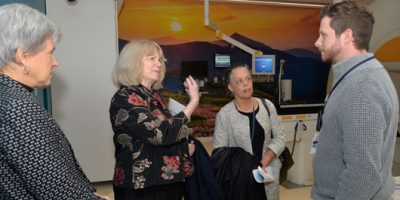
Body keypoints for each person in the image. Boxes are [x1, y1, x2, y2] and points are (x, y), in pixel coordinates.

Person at [0, 3, 108, 200]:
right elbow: (55, 189)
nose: (55, 61)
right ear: (23, 57)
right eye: (50, 52)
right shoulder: (18, 107)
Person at [312, 1, 399, 199]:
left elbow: (363, 174)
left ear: (347, 36)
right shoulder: (354, 76)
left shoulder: (362, 88)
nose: (317, 42)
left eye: (324, 35)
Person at [109, 39, 200, 200]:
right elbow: (161, 134)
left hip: (167, 182)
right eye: (151, 58)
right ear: (133, 62)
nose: (159, 64)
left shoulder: (155, 96)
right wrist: (193, 102)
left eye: (160, 59)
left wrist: (184, 148)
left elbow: (166, 136)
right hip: (141, 187)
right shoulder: (126, 97)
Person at [213, 63, 286, 200]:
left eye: (248, 79)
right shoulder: (225, 114)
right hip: (240, 180)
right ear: (230, 87)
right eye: (239, 81)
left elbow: (280, 138)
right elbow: (219, 153)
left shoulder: (267, 106)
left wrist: (263, 162)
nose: (246, 84)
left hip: (267, 174)